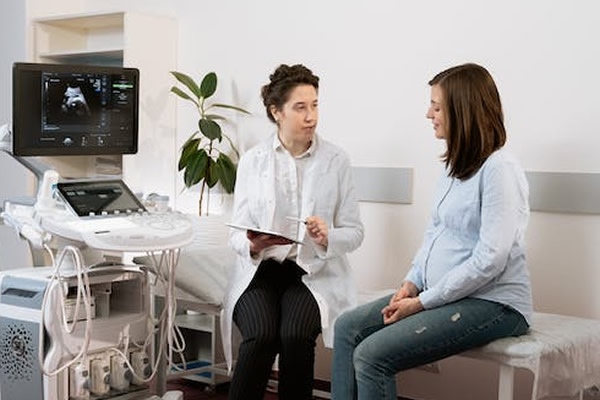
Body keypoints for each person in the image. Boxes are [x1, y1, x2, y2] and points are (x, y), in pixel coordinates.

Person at [331, 63, 532, 399]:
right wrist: (411, 282)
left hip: (494, 303)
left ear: (462, 110)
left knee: (371, 355)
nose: (428, 114)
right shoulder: (455, 166)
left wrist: (423, 302)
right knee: (347, 327)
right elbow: (434, 233)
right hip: (440, 292)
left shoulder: (499, 169)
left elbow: (490, 260)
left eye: (437, 106)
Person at [221, 64, 364, 400]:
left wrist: (328, 236)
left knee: (295, 337)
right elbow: (234, 233)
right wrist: (252, 244)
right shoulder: (253, 161)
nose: (311, 116)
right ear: (277, 112)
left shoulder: (336, 160)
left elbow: (355, 232)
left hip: (311, 272)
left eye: (314, 105)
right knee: (260, 336)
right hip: (260, 271)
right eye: (300, 107)